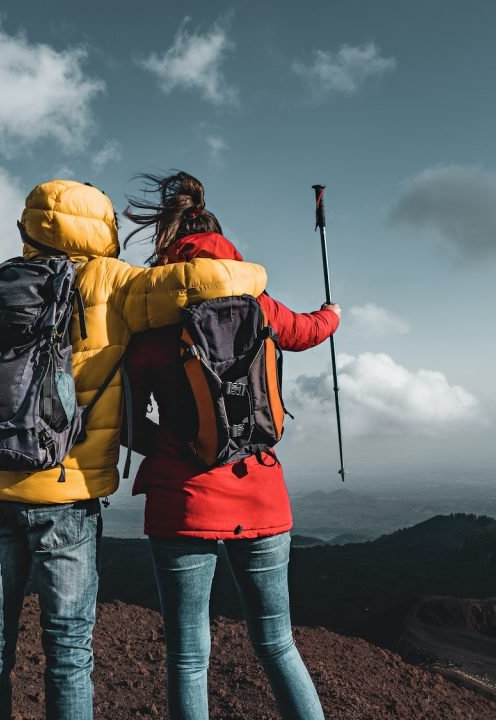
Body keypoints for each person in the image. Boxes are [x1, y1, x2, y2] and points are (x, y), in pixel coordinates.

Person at [0, 179, 269, 720]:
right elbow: (227, 280)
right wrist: (252, 273)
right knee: (67, 648)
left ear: (29, 226)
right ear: (103, 227)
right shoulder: (114, 283)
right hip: (68, 494)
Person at [123, 171, 340, 720]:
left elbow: (128, 420)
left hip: (182, 498)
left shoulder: (150, 321)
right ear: (224, 247)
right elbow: (308, 331)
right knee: (277, 644)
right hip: (260, 491)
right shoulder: (258, 305)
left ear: (170, 247)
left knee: (187, 657)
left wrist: (174, 449)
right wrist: (333, 315)